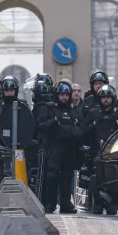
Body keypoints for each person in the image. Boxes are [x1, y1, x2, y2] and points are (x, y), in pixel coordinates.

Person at [84, 84, 118, 215]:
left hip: (114, 153)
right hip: (97, 151)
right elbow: (85, 132)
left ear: (113, 98)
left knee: (112, 179)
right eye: (103, 98)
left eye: (108, 97)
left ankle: (110, 204)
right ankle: (97, 204)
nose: (105, 100)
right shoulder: (93, 113)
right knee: (96, 179)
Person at [42, 80, 82, 214]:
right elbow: (41, 126)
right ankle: (50, 203)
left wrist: (75, 133)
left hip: (69, 147)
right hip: (54, 146)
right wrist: (53, 121)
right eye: (61, 95)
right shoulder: (50, 108)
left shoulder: (73, 110)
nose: (64, 97)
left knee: (67, 176)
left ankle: (65, 204)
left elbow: (80, 126)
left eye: (66, 95)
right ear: (57, 95)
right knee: (52, 176)